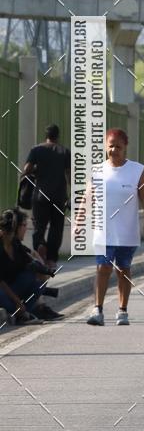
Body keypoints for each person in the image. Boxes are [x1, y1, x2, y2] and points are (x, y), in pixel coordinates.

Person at [87, 129, 144, 326]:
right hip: (103, 229)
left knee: (123, 269)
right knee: (103, 267)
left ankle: (122, 310)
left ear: (125, 147)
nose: (114, 150)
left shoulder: (136, 170)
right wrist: (80, 220)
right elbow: (88, 197)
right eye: (110, 146)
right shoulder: (98, 170)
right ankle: (97, 309)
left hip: (126, 230)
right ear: (105, 147)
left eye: (118, 146)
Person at [0, 208, 62, 324]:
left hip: (12, 288)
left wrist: (45, 270)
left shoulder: (15, 244)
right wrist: (18, 302)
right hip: (2, 290)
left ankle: (24, 313)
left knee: (39, 277)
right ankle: (23, 313)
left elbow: (29, 260)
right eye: (23, 225)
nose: (26, 229)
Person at [22, 124, 70, 271]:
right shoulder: (64, 151)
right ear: (58, 135)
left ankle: (39, 249)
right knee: (56, 228)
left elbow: (27, 169)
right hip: (58, 196)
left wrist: (36, 170)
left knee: (39, 226)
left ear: (46, 135)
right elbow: (69, 174)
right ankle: (51, 260)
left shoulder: (37, 149)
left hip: (40, 196)